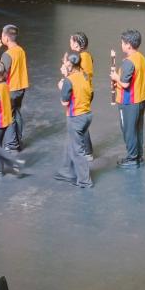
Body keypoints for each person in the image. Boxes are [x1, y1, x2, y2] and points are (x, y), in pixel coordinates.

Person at [54, 52, 94, 188]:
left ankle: (85, 181)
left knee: (77, 151)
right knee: (71, 144)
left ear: (70, 64)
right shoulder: (84, 75)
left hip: (76, 117)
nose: (63, 63)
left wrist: (62, 87)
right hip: (86, 114)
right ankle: (67, 171)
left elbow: (64, 102)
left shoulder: (68, 81)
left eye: (65, 61)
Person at [110, 29, 145, 169]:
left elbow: (125, 84)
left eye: (122, 42)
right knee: (137, 129)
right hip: (140, 99)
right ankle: (138, 156)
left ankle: (132, 158)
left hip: (129, 102)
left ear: (128, 45)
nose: (121, 45)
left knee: (129, 130)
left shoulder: (128, 62)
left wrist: (116, 78)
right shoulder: (140, 57)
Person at [0, 25, 29, 151]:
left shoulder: (7, 54)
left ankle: (12, 144)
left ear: (6, 37)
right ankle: (18, 139)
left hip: (11, 89)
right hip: (21, 87)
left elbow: (3, 74)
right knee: (16, 113)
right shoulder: (20, 50)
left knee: (9, 116)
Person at [70, 32, 94, 160]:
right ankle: (85, 149)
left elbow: (79, 75)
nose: (70, 43)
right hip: (87, 90)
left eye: (71, 41)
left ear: (76, 44)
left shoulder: (80, 57)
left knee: (80, 122)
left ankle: (87, 151)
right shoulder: (86, 55)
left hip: (82, 93)